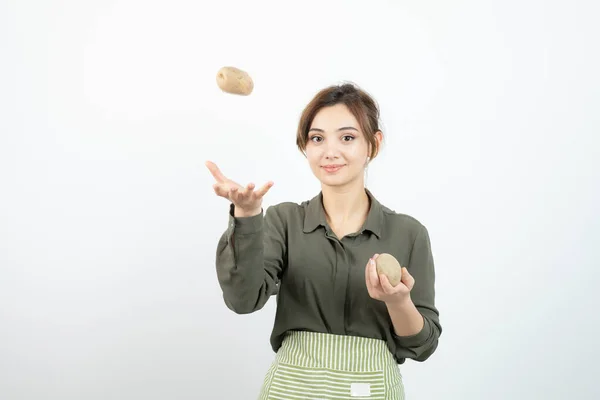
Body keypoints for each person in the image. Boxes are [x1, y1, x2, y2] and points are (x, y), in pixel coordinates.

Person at [206, 82, 441, 399]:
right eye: (317, 138)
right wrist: (247, 215)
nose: (330, 151)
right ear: (305, 146)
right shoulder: (284, 221)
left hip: (371, 390)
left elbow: (422, 345)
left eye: (347, 137)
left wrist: (398, 301)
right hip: (290, 390)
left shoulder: (408, 233)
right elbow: (243, 300)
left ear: (373, 144)